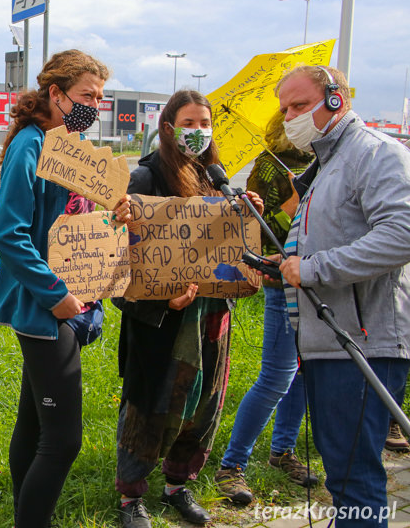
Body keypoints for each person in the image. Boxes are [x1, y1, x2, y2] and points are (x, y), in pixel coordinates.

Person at [0, 49, 130, 528]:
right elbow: (7, 231)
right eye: (88, 95)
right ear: (56, 93)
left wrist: (116, 212)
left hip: (71, 303)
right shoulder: (31, 144)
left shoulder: (66, 145)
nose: (96, 105)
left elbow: (73, 220)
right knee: (63, 440)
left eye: (101, 97)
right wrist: (55, 294)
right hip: (47, 310)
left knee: (33, 425)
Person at [112, 90, 263, 528]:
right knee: (150, 404)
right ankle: (130, 497)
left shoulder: (217, 178)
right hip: (162, 320)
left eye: (204, 124)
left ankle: (178, 484)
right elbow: (117, 261)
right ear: (168, 128)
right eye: (190, 123)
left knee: (203, 403)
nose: (198, 132)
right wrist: (159, 298)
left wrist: (247, 217)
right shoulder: (145, 179)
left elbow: (232, 250)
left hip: (212, 316)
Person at [275, 65, 410, 527]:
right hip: (329, 342)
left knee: (354, 479)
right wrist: (289, 263)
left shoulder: (373, 153)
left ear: (336, 98)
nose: (290, 116)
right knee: (344, 477)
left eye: (298, 104)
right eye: (285, 109)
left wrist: (313, 269)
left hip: (361, 340)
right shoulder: (327, 164)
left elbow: (401, 233)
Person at [214, 110, 317, 504]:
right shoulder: (270, 167)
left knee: (305, 372)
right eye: (292, 114)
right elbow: (256, 231)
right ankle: (232, 464)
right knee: (277, 376)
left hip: (318, 279)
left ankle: (283, 451)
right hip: (281, 283)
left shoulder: (322, 163)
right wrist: (290, 206)